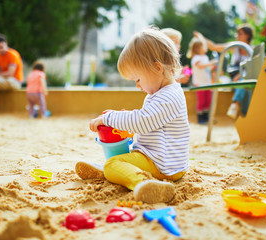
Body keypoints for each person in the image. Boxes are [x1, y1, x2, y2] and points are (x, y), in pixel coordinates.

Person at [75, 28, 190, 204]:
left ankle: (144, 183)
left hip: (163, 165)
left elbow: (142, 121)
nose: (137, 85)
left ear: (157, 68)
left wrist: (108, 118)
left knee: (112, 165)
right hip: (159, 160)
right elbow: (144, 121)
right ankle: (114, 172)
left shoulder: (169, 96)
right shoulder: (162, 92)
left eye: (138, 79)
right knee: (118, 160)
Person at [195, 24, 254, 119]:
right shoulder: (235, 47)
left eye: (240, 34)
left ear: (248, 35)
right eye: (237, 33)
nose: (237, 36)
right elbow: (214, 47)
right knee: (244, 86)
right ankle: (242, 112)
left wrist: (240, 75)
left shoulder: (252, 50)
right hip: (234, 79)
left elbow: (253, 68)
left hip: (244, 78)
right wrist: (201, 38)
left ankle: (237, 106)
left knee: (245, 84)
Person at [186, 36, 216, 124]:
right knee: (201, 100)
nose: (205, 48)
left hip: (207, 82)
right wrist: (210, 63)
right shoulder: (196, 58)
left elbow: (206, 68)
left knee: (208, 100)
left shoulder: (205, 57)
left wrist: (211, 67)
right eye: (203, 46)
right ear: (198, 48)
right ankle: (200, 117)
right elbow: (200, 66)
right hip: (200, 83)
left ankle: (205, 116)